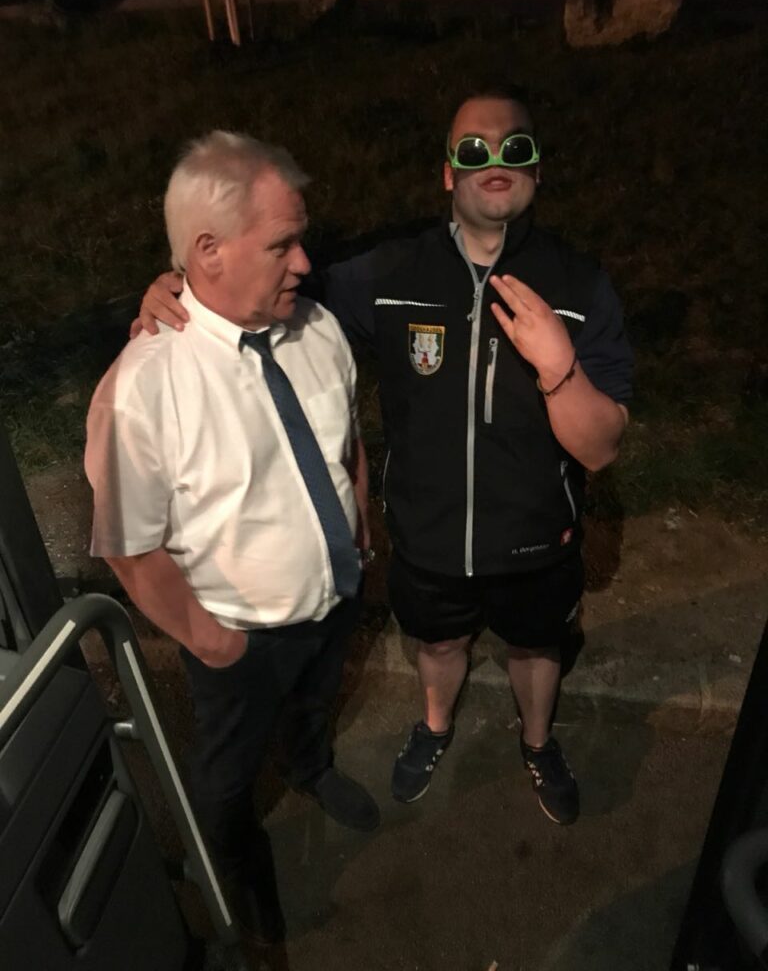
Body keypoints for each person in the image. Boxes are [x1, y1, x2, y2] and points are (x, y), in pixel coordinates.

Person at [135, 88, 633, 828]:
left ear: (537, 169)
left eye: (516, 147)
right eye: (474, 150)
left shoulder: (580, 284)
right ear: (448, 173)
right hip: (427, 536)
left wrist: (559, 366)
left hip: (537, 538)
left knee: (536, 649)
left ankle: (537, 742)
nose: (495, 161)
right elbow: (260, 283)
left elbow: (601, 447)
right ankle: (435, 727)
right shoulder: (391, 273)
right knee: (439, 642)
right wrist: (177, 284)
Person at [85, 131, 379, 944]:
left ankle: (312, 766)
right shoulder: (144, 387)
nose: (305, 264)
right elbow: (128, 546)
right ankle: (239, 886)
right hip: (239, 640)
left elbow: (348, 443)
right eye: (282, 244)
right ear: (207, 252)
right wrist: (212, 642)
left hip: (335, 597)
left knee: (316, 703)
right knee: (225, 777)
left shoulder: (316, 329)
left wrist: (360, 533)